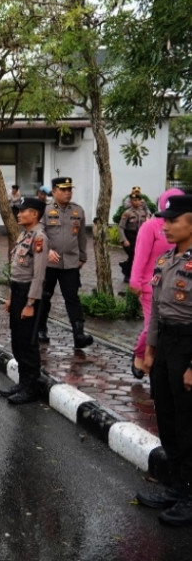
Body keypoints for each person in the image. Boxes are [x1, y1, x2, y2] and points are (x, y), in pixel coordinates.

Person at [137, 194, 192, 527]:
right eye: (165, 220)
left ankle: (189, 495)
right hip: (166, 347)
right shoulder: (165, 261)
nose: (166, 226)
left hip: (188, 347)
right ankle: (175, 486)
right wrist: (150, 351)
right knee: (168, 419)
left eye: (173, 220)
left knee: (188, 424)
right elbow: (156, 312)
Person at [131, 189, 185, 379]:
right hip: (150, 285)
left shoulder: (184, 227)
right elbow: (140, 255)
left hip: (176, 288)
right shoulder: (151, 226)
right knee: (151, 327)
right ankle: (139, 353)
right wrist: (135, 280)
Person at [0, 198, 48, 404]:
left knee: (28, 343)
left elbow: (38, 275)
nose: (18, 214)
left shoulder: (39, 237)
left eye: (22, 211)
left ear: (35, 214)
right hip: (18, 292)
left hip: (30, 294)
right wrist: (11, 297)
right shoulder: (24, 235)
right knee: (17, 340)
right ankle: (22, 382)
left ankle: (31, 387)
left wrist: (30, 304)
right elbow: (16, 271)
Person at [36, 177, 94, 348]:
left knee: (72, 298)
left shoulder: (78, 211)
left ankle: (78, 334)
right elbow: (38, 235)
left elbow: (82, 236)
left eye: (70, 190)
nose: (68, 193)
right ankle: (41, 328)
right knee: (45, 296)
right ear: (54, 191)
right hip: (49, 264)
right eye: (64, 189)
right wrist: (47, 251)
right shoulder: (44, 211)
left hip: (70, 263)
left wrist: (82, 257)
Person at [119, 187, 152, 284]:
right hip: (130, 236)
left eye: (138, 200)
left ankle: (126, 267)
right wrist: (124, 240)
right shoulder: (127, 213)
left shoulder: (144, 212)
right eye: (134, 200)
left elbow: (148, 223)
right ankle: (127, 274)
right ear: (131, 201)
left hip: (140, 237)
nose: (136, 202)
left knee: (137, 256)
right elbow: (121, 227)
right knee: (133, 255)